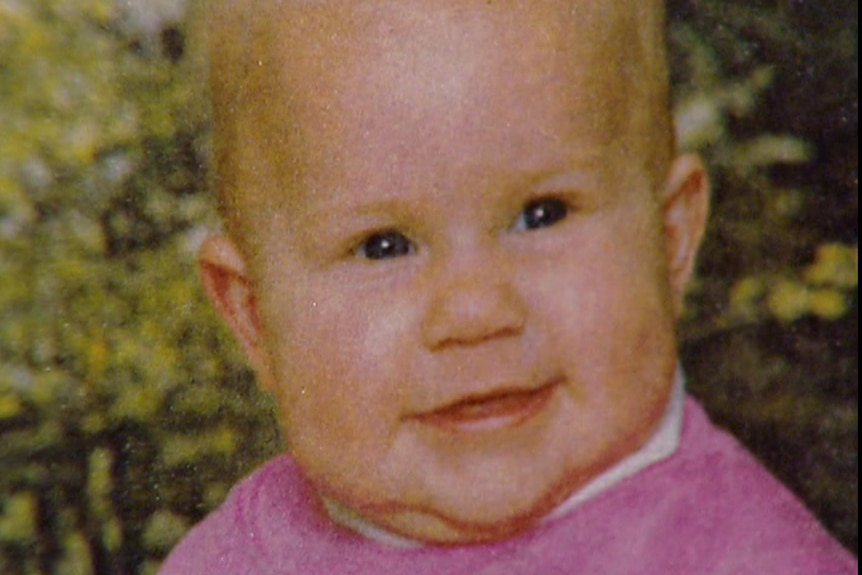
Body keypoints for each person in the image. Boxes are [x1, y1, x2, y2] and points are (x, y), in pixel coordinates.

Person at [159, 1, 857, 573]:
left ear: (670, 238)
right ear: (254, 317)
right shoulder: (235, 557)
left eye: (542, 214)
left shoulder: (745, 555)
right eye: (383, 246)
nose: (475, 310)